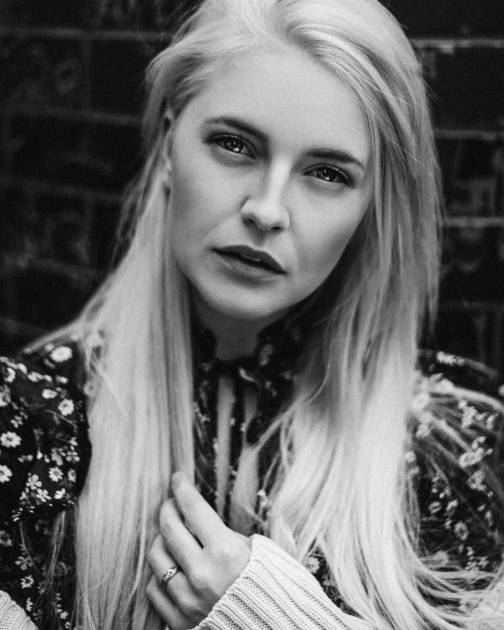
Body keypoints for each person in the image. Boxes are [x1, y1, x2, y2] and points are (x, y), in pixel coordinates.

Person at [1, 0, 504, 628]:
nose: (266, 210)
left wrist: (274, 617)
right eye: (234, 144)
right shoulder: (26, 426)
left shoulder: (455, 446)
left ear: (371, 207)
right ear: (168, 148)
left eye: (327, 173)